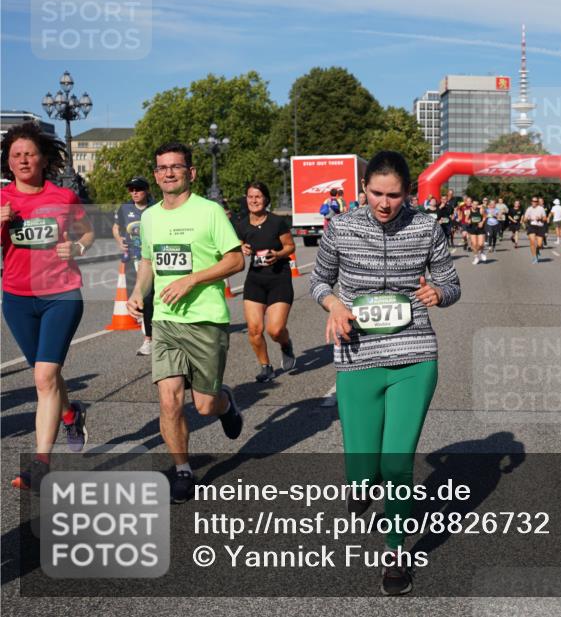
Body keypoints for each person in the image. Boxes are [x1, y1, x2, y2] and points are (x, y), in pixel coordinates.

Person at [310, 150, 460, 596]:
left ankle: (395, 556)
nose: (384, 203)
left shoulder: (426, 226)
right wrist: (334, 304)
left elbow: (452, 283)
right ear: (363, 190)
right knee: (363, 468)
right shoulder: (341, 227)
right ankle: (361, 482)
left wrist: (439, 292)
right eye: (376, 193)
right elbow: (318, 281)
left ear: (408, 193)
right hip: (358, 354)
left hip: (414, 352)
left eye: (394, 195)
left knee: (397, 462)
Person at [127, 142, 246, 503]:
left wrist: (192, 279)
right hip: (165, 320)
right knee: (169, 400)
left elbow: (236, 260)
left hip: (206, 319)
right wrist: (137, 293)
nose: (168, 173)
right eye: (162, 167)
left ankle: (225, 402)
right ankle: (182, 469)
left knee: (205, 406)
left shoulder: (209, 212)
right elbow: (149, 261)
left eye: (175, 167)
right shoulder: (149, 217)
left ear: (190, 173)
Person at [2, 122, 93, 490]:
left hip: (61, 293)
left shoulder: (63, 197)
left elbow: (87, 231)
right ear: (8, 163)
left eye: (29, 153)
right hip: (17, 298)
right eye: (16, 155)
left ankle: (40, 463)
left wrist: (80, 247)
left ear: (42, 158)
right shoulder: (3, 200)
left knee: (42, 378)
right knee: (47, 376)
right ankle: (71, 414)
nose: (24, 160)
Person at [234, 181, 297, 383]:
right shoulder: (242, 225)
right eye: (250, 196)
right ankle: (266, 366)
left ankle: (285, 344)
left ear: (266, 200)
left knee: (275, 330)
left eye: (258, 197)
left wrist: (277, 254)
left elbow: (290, 246)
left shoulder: (276, 222)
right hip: (255, 280)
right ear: (246, 199)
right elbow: (238, 245)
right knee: (254, 329)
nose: (254, 200)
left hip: (279, 277)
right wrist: (241, 248)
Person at [113, 176, 156, 355]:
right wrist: (118, 241)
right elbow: (116, 227)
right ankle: (149, 336)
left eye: (138, 189)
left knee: (150, 299)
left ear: (146, 190)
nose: (134, 193)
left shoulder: (156, 207)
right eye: (131, 189)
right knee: (139, 300)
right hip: (133, 259)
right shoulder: (125, 208)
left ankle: (150, 339)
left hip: (153, 260)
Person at [523, 196, 547, 264]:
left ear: (537, 202)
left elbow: (545, 219)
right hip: (532, 226)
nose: (534, 202)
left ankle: (537, 250)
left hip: (540, 227)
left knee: (539, 244)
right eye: (533, 201)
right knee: (532, 242)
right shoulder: (529, 209)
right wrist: (527, 218)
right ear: (531, 202)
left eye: (536, 201)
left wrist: (540, 218)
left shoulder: (541, 209)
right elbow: (524, 219)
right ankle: (534, 258)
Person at [467, 199, 487, 264]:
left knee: (480, 244)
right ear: (471, 204)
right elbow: (466, 219)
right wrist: (468, 221)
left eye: (476, 204)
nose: (475, 205)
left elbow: (485, 216)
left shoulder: (481, 210)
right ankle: (476, 257)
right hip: (472, 228)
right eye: (474, 204)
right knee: (474, 245)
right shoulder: (469, 211)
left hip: (480, 228)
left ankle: (482, 251)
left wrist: (482, 222)